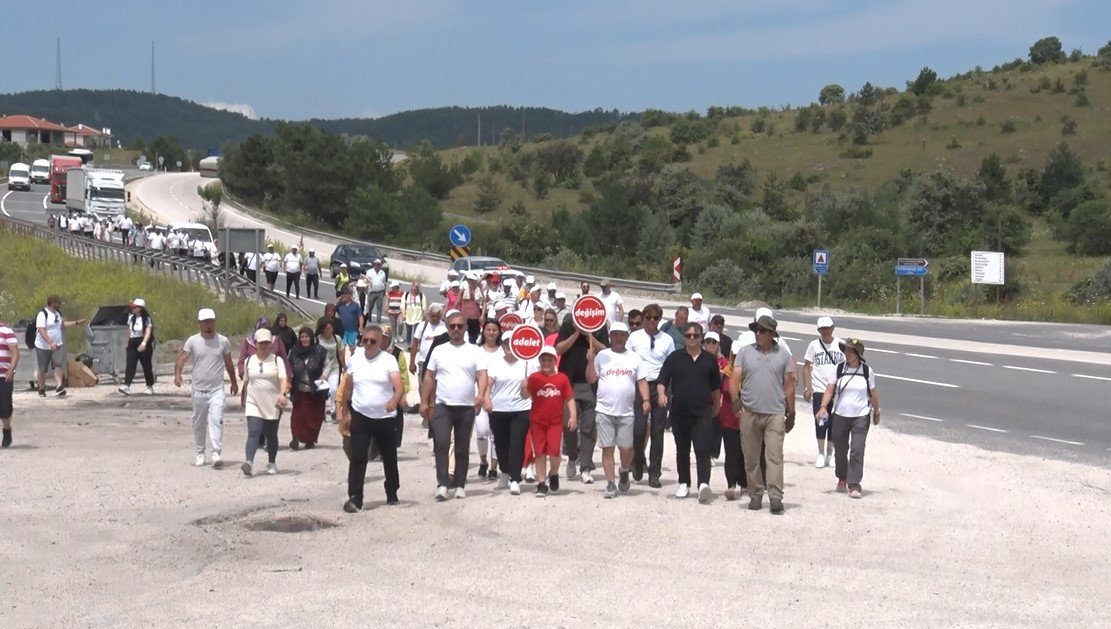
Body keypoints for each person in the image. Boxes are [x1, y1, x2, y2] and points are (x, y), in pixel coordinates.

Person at [729, 314, 795, 515]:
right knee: (751, 457)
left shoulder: (783, 355)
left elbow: (789, 385)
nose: (758, 333)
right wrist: (734, 399)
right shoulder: (745, 352)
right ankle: (756, 493)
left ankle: (775, 496)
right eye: (756, 330)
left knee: (774, 456)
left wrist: (791, 412)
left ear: (772, 333)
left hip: (774, 413)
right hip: (749, 411)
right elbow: (735, 378)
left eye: (762, 331)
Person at [420, 311, 487, 500]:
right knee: (441, 443)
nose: (456, 329)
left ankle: (460, 483)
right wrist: (425, 401)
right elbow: (429, 376)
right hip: (443, 405)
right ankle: (442, 483)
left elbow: (482, 375)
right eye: (452, 326)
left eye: (460, 326)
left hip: (466, 407)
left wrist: (480, 395)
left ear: (466, 327)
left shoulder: (474, 350)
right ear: (447, 328)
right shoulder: (439, 350)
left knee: (461, 447)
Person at [339, 324, 405, 512]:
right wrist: (345, 412)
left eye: (372, 341)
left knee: (389, 456)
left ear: (381, 342)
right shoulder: (355, 360)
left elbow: (398, 386)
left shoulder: (388, 360)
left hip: (384, 416)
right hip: (361, 414)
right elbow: (348, 389)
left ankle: (392, 490)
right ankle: (355, 497)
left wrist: (394, 400)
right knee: (358, 456)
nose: (368, 344)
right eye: (365, 340)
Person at [657, 322, 721, 503]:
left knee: (702, 448)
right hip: (680, 412)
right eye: (688, 335)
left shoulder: (709, 360)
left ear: (701, 337)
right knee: (682, 450)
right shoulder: (675, 357)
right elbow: (662, 379)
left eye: (695, 335)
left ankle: (703, 484)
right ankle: (684, 483)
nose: (692, 339)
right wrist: (661, 394)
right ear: (684, 337)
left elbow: (715, 386)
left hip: (703, 411)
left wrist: (717, 405)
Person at [587, 322, 649, 499]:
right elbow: (591, 378)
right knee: (608, 448)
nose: (619, 338)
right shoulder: (602, 356)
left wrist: (645, 399)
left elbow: (642, 381)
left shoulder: (634, 358)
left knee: (626, 448)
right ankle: (610, 484)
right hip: (604, 410)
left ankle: (623, 469)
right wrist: (590, 361)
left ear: (627, 337)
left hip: (626, 411)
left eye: (622, 335)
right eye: (615, 334)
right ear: (610, 337)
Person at [174, 308, 239, 468]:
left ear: (215, 321)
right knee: (199, 423)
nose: (208, 324)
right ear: (199, 324)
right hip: (198, 390)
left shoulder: (222, 341)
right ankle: (200, 453)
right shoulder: (193, 341)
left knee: (216, 420)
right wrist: (177, 374)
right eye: (205, 322)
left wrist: (234, 381)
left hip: (216, 389)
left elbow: (228, 362)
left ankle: (216, 453)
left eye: (211, 321)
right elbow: (182, 358)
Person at [816, 338, 880, 499]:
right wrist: (823, 407)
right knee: (841, 450)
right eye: (846, 350)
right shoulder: (838, 369)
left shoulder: (866, 371)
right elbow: (829, 390)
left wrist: (876, 411)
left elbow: (873, 394)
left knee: (857, 450)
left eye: (851, 351)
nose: (847, 353)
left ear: (858, 354)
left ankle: (854, 484)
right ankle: (842, 477)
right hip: (840, 415)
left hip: (861, 415)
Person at [555, 310, 610, 484]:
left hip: (590, 384)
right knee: (569, 424)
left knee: (589, 426)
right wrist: (577, 332)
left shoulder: (599, 326)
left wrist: (589, 335)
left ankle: (586, 466)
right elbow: (558, 349)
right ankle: (572, 456)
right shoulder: (568, 325)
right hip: (569, 382)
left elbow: (605, 350)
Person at [481, 330, 536, 495]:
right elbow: (488, 385)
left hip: (521, 409)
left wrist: (527, 386)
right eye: (505, 343)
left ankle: (514, 478)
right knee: (500, 443)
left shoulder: (527, 363)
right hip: (499, 410)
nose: (508, 347)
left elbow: (530, 390)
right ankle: (504, 470)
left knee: (516, 443)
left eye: (511, 343)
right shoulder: (496, 363)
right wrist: (486, 400)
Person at [627, 303, 675, 488]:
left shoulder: (667, 339)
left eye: (656, 318)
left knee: (657, 432)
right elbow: (629, 360)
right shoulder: (635, 337)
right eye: (649, 317)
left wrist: (669, 391)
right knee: (639, 429)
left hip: (660, 385)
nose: (652, 321)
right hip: (641, 385)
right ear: (644, 318)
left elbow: (671, 365)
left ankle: (654, 473)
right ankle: (638, 459)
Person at [526, 346, 576, 498]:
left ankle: (553, 473)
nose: (546, 362)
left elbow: (569, 398)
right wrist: (524, 387)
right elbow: (525, 395)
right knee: (539, 453)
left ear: (555, 361)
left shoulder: (562, 378)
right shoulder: (534, 377)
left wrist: (573, 415)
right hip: (537, 422)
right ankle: (541, 484)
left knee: (554, 452)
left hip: (555, 422)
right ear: (539, 361)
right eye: (543, 359)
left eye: (549, 359)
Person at [240, 328, 289, 477]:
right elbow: (246, 381)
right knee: (254, 432)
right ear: (255, 343)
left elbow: (283, 379)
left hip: (272, 401)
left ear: (270, 344)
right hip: (253, 401)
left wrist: (282, 394)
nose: (263, 345)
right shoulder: (249, 361)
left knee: (271, 434)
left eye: (266, 343)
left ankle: (272, 462)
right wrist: (243, 397)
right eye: (261, 343)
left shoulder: (276, 360)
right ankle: (249, 462)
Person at [803, 316, 845, 469]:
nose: (825, 331)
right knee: (821, 421)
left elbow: (848, 364)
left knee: (834, 422)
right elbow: (806, 366)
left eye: (827, 328)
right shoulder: (814, 345)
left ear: (833, 328)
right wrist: (808, 388)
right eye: (822, 329)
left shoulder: (840, 344)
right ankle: (820, 453)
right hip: (820, 388)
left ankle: (830, 453)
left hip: (836, 388)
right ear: (819, 330)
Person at [34, 295, 87, 398]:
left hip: (57, 344)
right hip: (43, 346)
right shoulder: (42, 314)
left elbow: (62, 325)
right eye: (57, 302)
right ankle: (41, 389)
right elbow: (41, 330)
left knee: (58, 365)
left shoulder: (58, 314)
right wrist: (50, 343)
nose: (59, 305)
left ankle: (59, 387)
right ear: (52, 302)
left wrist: (76, 323)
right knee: (43, 369)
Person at [288, 327, 329, 450]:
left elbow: (327, 365)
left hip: (315, 390)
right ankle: (295, 438)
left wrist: (323, 377)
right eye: (302, 337)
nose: (304, 339)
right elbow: (288, 365)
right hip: (299, 390)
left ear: (311, 337)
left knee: (314, 418)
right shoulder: (294, 351)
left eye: (307, 336)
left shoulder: (320, 350)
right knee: (297, 416)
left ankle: (310, 440)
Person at [473, 320, 502, 479]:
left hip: (498, 397)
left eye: (494, 330)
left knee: (495, 434)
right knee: (482, 431)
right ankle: (483, 460)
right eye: (488, 330)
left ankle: (493, 467)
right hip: (480, 395)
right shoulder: (477, 352)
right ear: (483, 332)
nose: (491, 333)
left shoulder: (502, 352)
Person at [118, 298, 155, 396]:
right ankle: (127, 385)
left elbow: (148, 331)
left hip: (142, 341)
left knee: (146, 365)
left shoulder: (147, 319)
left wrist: (144, 343)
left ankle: (149, 386)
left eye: (134, 307)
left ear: (140, 308)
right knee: (130, 364)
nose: (132, 309)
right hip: (133, 342)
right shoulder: (131, 317)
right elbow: (129, 331)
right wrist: (128, 343)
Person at [238, 316, 292, 382]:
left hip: (273, 380)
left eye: (266, 329)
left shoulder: (276, 340)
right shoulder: (249, 342)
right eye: (261, 330)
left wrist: (288, 378)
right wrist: (242, 374)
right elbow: (241, 361)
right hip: (253, 380)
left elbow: (284, 360)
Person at [317, 320, 345, 422]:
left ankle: (334, 411)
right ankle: (321, 412)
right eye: (328, 329)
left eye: (331, 328)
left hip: (334, 368)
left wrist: (344, 366)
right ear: (322, 330)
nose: (330, 330)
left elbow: (341, 353)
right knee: (321, 392)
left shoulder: (337, 339)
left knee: (334, 389)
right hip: (321, 371)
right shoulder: (317, 340)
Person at [409, 304, 446, 383]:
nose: (434, 319)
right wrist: (412, 362)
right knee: (422, 387)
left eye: (437, 316)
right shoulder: (422, 326)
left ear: (441, 316)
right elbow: (415, 344)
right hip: (424, 361)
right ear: (428, 315)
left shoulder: (444, 328)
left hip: (439, 363)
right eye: (432, 316)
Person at [0, 315, 19, 448]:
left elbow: (15, 353)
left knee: (6, 409)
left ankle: (7, 430)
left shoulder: (6, 331)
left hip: (4, 375)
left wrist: (11, 369)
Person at [460, 273, 484, 343]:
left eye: (472, 280)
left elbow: (484, 302)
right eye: (469, 280)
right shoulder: (465, 291)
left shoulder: (478, 290)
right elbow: (461, 302)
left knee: (473, 337)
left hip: (475, 317)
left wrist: (482, 315)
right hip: (465, 316)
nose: (470, 282)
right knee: (464, 335)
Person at [364, 258, 387, 323]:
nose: (376, 265)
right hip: (372, 291)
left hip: (380, 291)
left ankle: (378, 320)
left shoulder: (383, 273)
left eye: (378, 264)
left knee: (379, 306)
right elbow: (366, 281)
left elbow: (384, 282)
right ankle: (369, 317)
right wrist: (366, 289)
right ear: (373, 265)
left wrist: (384, 291)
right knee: (370, 306)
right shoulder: (369, 272)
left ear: (380, 265)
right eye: (375, 264)